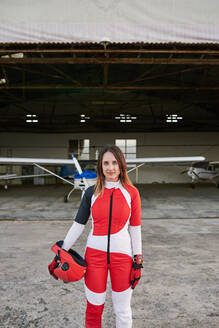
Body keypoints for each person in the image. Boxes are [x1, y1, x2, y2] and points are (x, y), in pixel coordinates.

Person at [49, 144, 143, 328]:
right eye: (106, 163)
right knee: (93, 310)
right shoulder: (90, 192)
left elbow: (135, 228)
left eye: (114, 163)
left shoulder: (132, 193)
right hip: (94, 259)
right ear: (100, 166)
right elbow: (78, 226)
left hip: (122, 258)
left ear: (121, 165)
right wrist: (61, 252)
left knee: (123, 311)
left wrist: (137, 260)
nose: (110, 168)